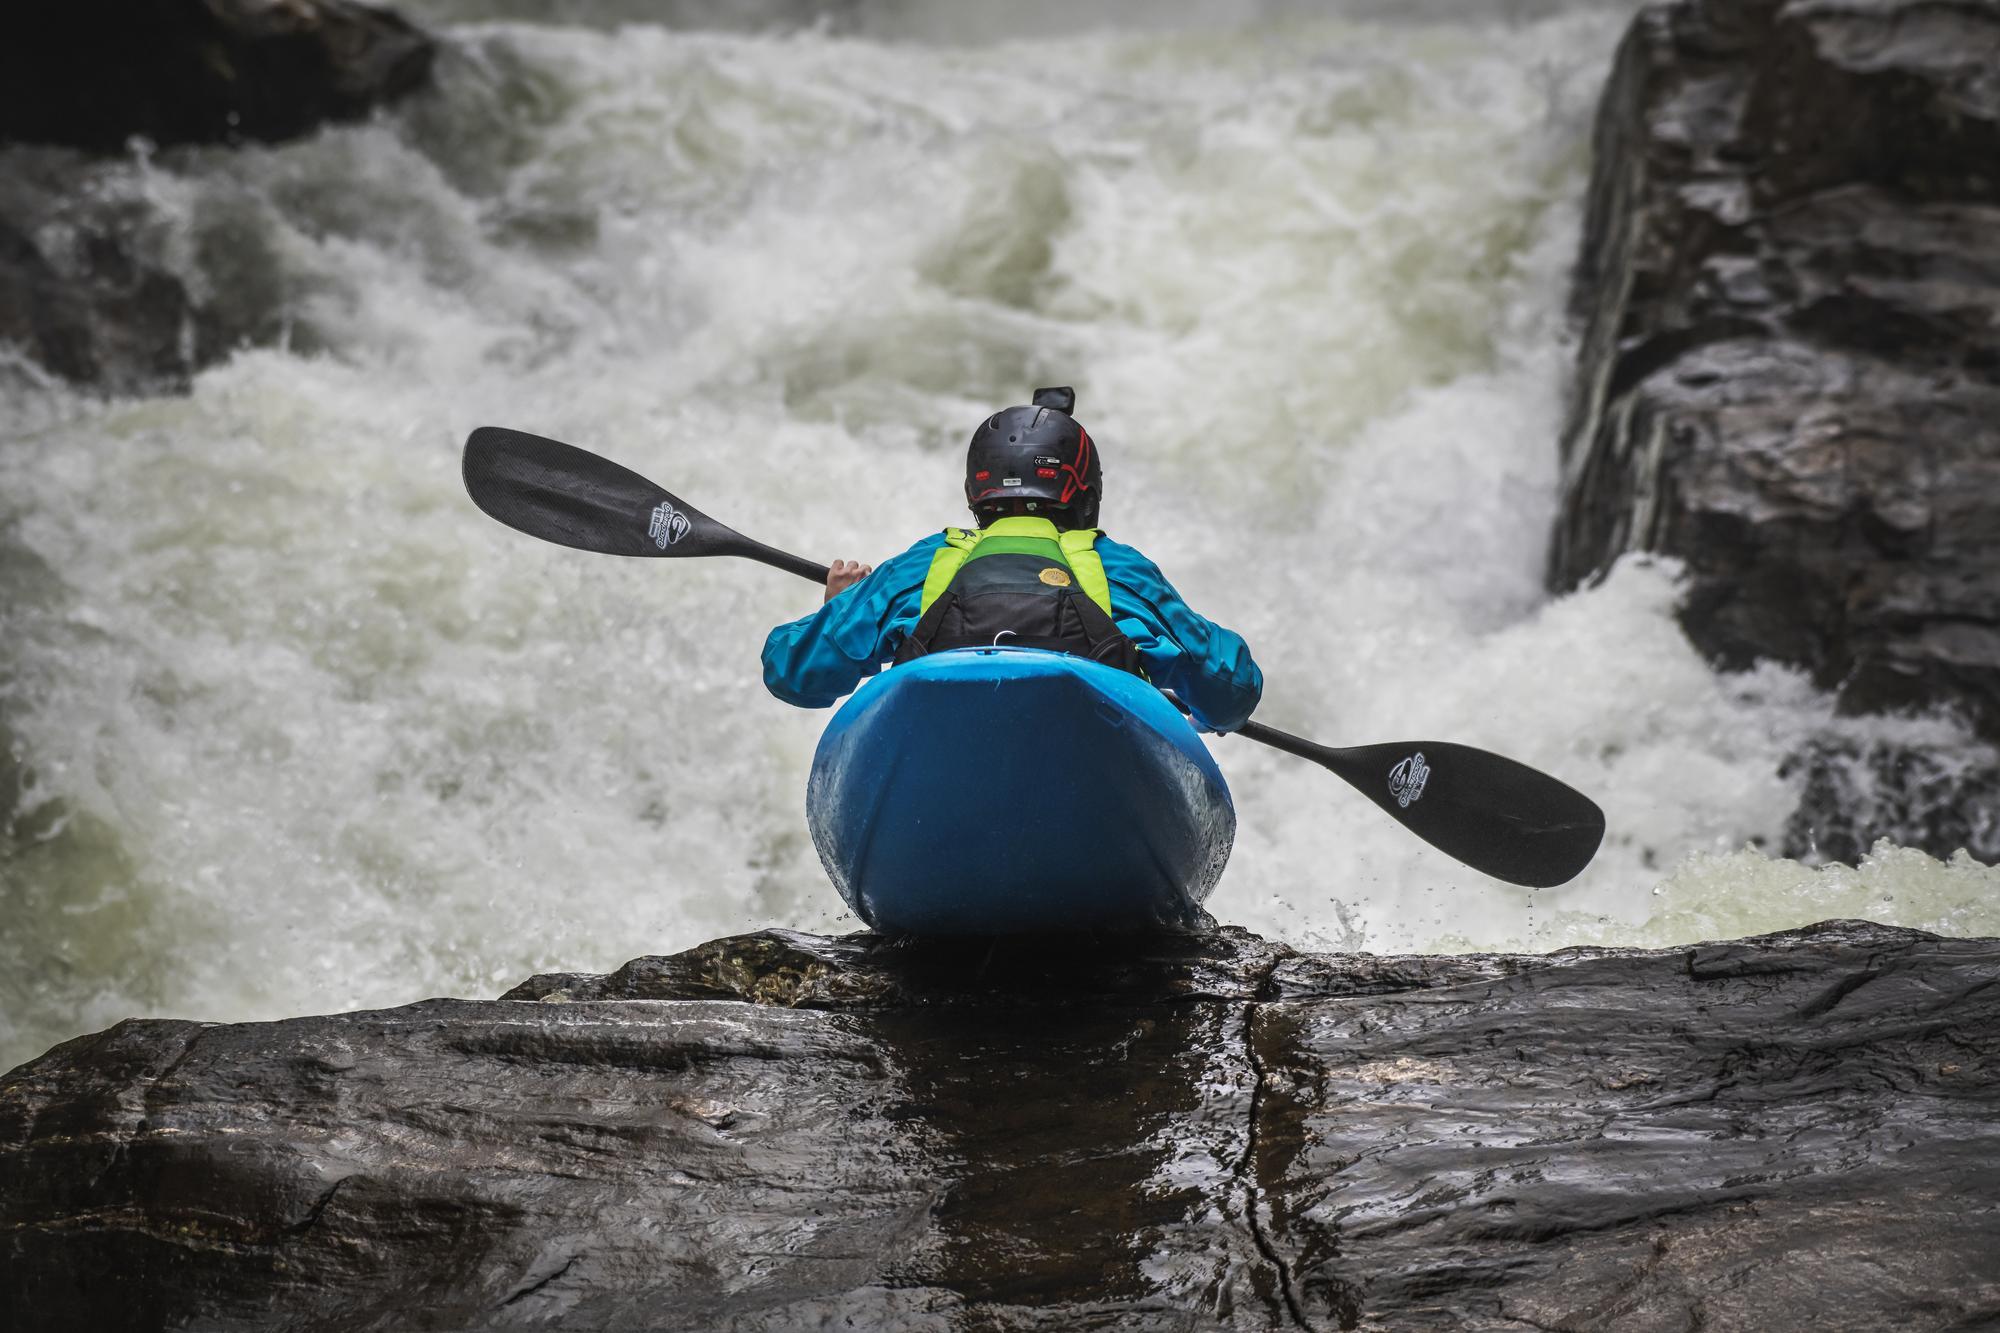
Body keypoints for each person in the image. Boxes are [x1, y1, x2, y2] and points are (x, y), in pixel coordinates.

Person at [761, 387, 1262, 731]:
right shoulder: (1117, 572)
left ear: (977, 495)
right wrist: (1206, 714)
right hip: (1084, 775)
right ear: (1086, 494)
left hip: (941, 774)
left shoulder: (922, 567)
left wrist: (837, 610)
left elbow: (792, 672)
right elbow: (1233, 685)